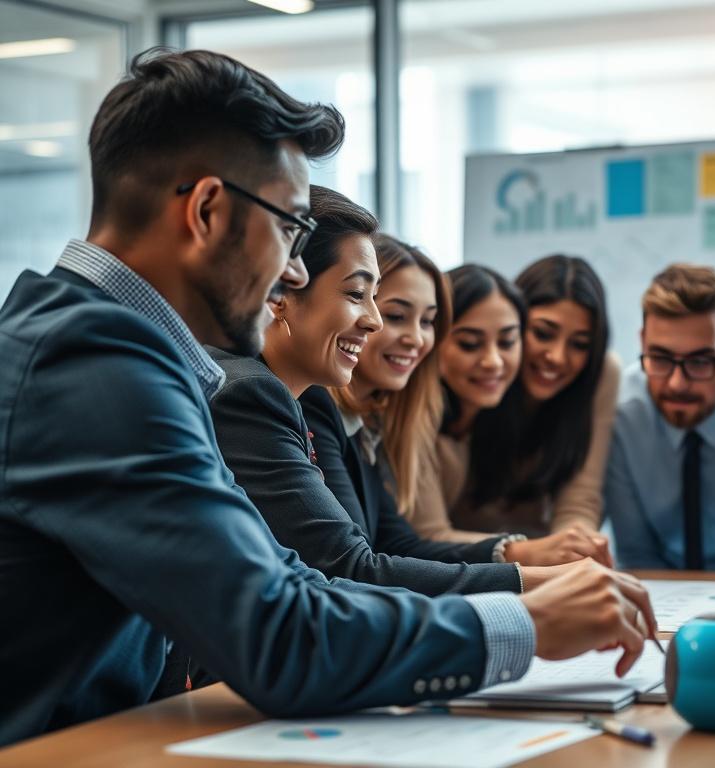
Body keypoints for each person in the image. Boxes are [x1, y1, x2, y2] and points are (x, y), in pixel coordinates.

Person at [0, 48, 655, 747]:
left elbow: (292, 585)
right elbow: (279, 637)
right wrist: (528, 625)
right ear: (207, 212)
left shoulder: (97, 340)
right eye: (291, 228)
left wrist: (525, 597)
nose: (293, 271)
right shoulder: (97, 362)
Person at [211, 197, 584, 594]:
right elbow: (350, 569)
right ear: (280, 293)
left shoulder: (301, 399)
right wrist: (532, 581)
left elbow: (390, 545)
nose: (372, 320)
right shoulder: (254, 395)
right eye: (357, 295)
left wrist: (526, 563)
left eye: (428, 320)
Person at [410, 257, 619, 557]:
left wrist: (574, 549)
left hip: (530, 562)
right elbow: (425, 536)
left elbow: (580, 500)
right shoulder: (457, 393)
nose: (557, 357)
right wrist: (535, 552)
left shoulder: (598, 374)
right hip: (465, 566)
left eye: (580, 344)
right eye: (543, 334)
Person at [604, 263, 715, 571]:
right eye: (659, 358)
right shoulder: (624, 413)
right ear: (642, 343)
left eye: (700, 361)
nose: (676, 383)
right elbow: (635, 554)